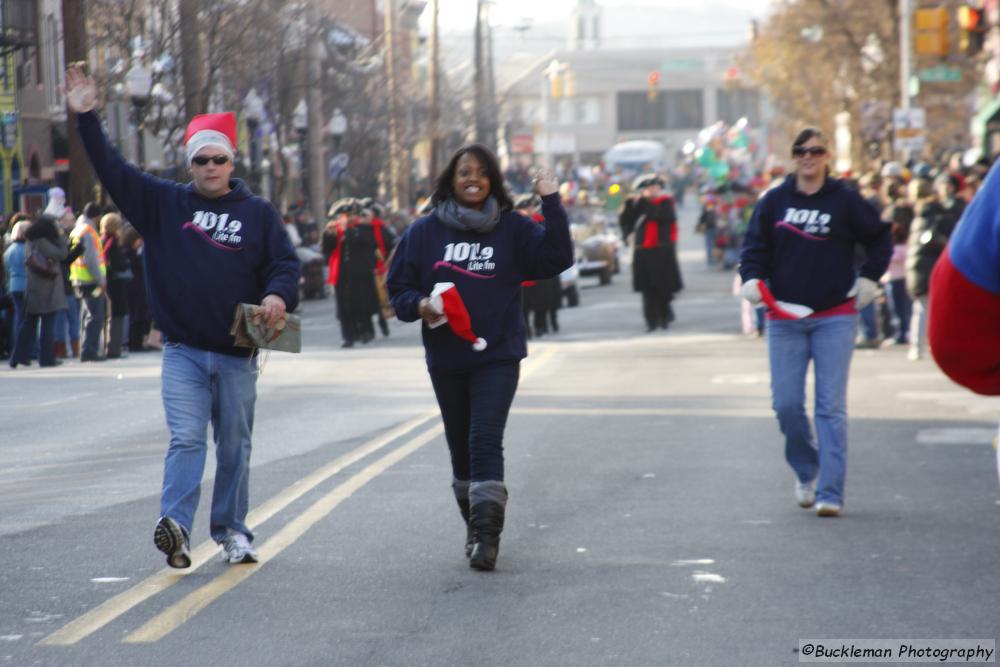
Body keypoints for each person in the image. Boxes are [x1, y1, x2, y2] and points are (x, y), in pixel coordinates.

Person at [65, 64, 300, 567]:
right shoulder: (164, 203)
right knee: (188, 438)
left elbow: (284, 263)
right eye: (201, 161)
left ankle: (233, 531)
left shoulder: (258, 213)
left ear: (231, 162)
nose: (211, 168)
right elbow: (113, 169)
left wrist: (279, 295)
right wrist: (87, 117)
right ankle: (175, 526)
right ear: (189, 165)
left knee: (234, 446)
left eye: (219, 160)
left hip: (238, 353)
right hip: (184, 353)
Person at [387, 145, 572, 571]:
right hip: (446, 357)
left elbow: (558, 258)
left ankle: (487, 539)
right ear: (450, 180)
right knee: (460, 447)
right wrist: (420, 305)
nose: (474, 178)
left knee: (484, 438)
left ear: (493, 181)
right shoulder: (423, 233)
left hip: (498, 354)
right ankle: (474, 529)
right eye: (464, 172)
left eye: (483, 173)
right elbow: (398, 291)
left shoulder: (513, 228)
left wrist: (551, 201)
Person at [740, 127, 891, 517]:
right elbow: (754, 247)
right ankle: (807, 471)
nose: (808, 157)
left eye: (816, 150)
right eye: (801, 151)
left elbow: (880, 238)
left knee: (830, 407)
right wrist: (752, 278)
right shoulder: (774, 201)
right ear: (794, 156)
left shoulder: (845, 200)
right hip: (784, 317)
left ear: (827, 156)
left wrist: (870, 279)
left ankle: (830, 492)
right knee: (786, 405)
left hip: (834, 317)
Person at [618, 174, 683, 331]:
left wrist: (646, 204)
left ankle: (664, 316)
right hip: (643, 251)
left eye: (656, 187)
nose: (653, 190)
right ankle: (651, 321)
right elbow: (625, 223)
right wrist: (628, 206)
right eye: (649, 188)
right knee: (647, 289)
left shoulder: (666, 203)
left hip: (662, 251)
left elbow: (663, 218)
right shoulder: (637, 204)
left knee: (663, 287)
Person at [322, 198, 381, 348]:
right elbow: (326, 250)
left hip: (361, 273)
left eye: (351, 215)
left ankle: (365, 331)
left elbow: (370, 244)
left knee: (362, 304)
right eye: (345, 215)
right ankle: (348, 336)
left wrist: (349, 230)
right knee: (344, 306)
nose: (349, 218)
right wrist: (331, 233)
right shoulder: (333, 230)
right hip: (342, 274)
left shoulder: (363, 229)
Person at [11, 214, 68, 368]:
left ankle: (18, 356)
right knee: (48, 324)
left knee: (29, 324)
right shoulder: (42, 242)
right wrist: (62, 237)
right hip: (46, 288)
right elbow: (61, 254)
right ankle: (47, 357)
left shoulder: (31, 240)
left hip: (34, 288)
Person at [70, 202, 107, 361]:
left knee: (86, 315)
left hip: (79, 278)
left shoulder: (76, 229)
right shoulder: (89, 231)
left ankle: (85, 350)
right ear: (97, 216)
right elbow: (91, 258)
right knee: (95, 316)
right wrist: (100, 279)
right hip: (90, 280)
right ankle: (89, 351)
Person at [100, 212, 131, 359]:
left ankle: (112, 347)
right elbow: (115, 263)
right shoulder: (112, 242)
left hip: (109, 281)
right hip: (115, 282)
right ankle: (114, 349)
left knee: (112, 316)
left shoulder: (103, 239)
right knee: (116, 315)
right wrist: (126, 263)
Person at [4, 221, 28, 366]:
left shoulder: (8, 251)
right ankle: (23, 350)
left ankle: (15, 347)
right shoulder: (26, 249)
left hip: (13, 285)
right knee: (24, 319)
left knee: (17, 318)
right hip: (25, 285)